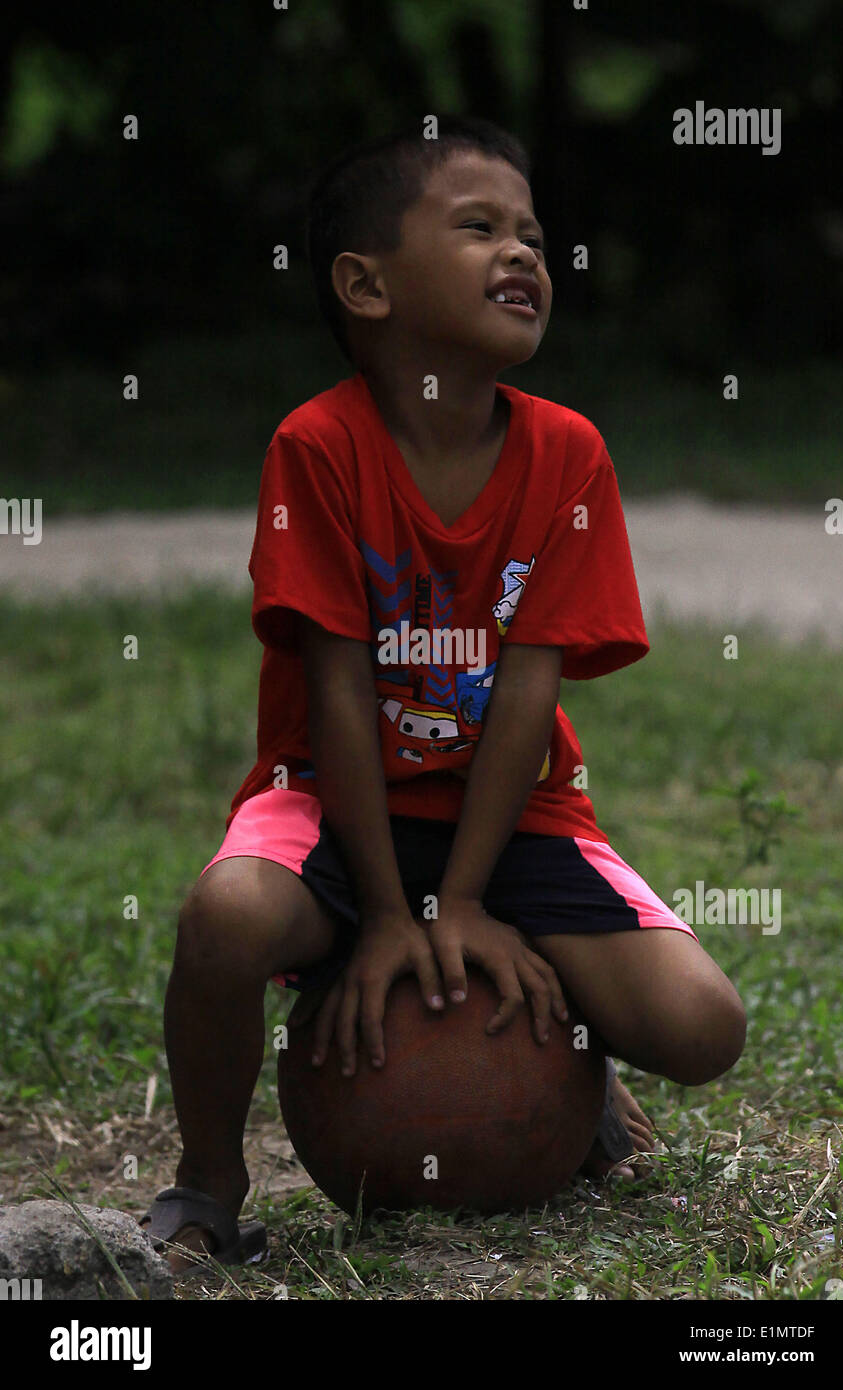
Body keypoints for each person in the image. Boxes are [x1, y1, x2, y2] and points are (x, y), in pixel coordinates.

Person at [140, 116, 746, 1272]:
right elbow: (336, 689)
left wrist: (457, 903)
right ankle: (209, 1180)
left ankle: (584, 1077)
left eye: (532, 234)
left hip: (511, 814)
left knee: (705, 1025)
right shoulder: (316, 448)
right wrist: (384, 911)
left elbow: (527, 699)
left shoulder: (568, 454)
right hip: (332, 797)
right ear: (366, 286)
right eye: (478, 228)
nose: (523, 252)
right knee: (223, 921)